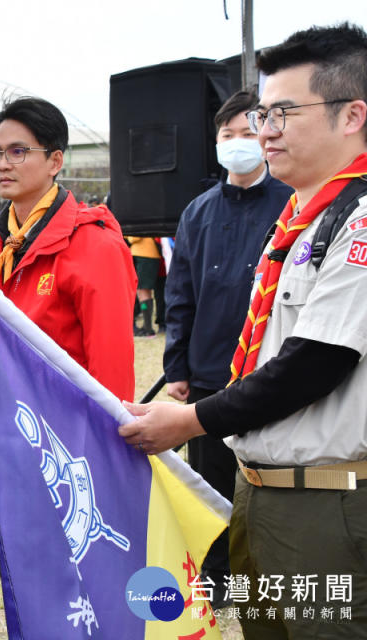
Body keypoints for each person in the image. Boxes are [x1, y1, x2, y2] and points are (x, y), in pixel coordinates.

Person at [119, 23, 367, 639]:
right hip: (262, 489)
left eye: (284, 112)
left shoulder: (359, 218)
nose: (265, 131)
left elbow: (315, 361)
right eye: (262, 113)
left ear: (351, 115)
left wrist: (190, 420)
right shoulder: (302, 214)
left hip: (326, 500)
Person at [0, 96, 136, 484]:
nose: (2, 164)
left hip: (63, 459)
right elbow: (5, 356)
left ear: (55, 161)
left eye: (18, 151)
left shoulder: (95, 247)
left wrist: (103, 462)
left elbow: (111, 376)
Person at [162, 87, 293, 606]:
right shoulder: (198, 211)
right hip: (211, 369)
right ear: (216, 142)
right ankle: (216, 579)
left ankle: (267, 573)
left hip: (272, 367)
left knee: (271, 479)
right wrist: (177, 367)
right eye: (227, 135)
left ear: (265, 136)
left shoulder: (291, 202)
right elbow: (181, 292)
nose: (238, 143)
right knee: (211, 479)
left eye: (247, 133)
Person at [125, 235, 160, 336]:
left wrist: (128, 237)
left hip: (144, 256)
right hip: (144, 255)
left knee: (143, 291)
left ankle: (148, 328)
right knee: (142, 292)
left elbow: (135, 237)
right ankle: (147, 327)